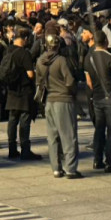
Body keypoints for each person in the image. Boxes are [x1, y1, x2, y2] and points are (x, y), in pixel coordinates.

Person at [37, 34, 82, 179]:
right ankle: (70, 168)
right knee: (68, 135)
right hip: (63, 99)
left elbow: (38, 82)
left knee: (52, 136)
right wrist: (74, 92)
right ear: (58, 46)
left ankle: (56, 168)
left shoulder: (40, 61)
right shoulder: (61, 60)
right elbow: (69, 81)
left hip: (49, 100)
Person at [84, 30, 111, 173]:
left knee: (99, 129)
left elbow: (89, 83)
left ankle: (97, 159)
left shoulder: (88, 58)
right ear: (106, 41)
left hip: (97, 97)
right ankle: (110, 161)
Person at [2, 27, 42, 161]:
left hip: (11, 90)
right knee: (25, 121)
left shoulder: (8, 49)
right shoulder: (24, 53)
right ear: (25, 39)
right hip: (24, 91)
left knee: (12, 120)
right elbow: (30, 74)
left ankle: (11, 149)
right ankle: (25, 149)